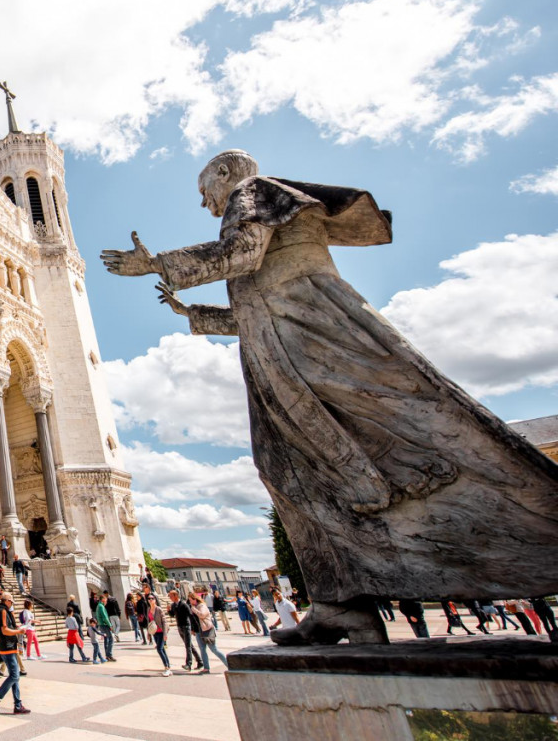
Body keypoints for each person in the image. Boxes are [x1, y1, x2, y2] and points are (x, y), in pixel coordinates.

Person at [105, 150, 558, 646]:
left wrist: (155, 264)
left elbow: (244, 255)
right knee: (286, 467)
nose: (204, 203)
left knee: (371, 443)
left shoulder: (252, 193)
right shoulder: (259, 205)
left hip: (309, 336)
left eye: (204, 190)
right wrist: (193, 314)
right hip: (282, 342)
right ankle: (339, 602)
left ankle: (519, 542)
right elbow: (249, 308)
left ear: (223, 173)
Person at [0, 592, 30, 715]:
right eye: (11, 602)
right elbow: (5, 630)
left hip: (9, 646)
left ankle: (18, 705)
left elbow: (4, 627)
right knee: (15, 676)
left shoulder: (4, 611)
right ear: (7, 601)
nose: (12, 605)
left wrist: (17, 628)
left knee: (14, 676)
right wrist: (18, 631)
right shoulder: (3, 611)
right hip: (8, 647)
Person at [189, 593, 227, 674]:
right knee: (202, 649)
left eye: (191, 600)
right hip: (198, 631)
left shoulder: (202, 606)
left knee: (214, 649)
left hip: (206, 629)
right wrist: (192, 629)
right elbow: (193, 619)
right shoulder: (193, 607)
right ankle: (206, 668)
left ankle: (229, 665)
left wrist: (194, 609)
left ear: (195, 599)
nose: (190, 601)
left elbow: (202, 615)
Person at [168, 590, 202, 671]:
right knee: (189, 645)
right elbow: (172, 615)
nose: (170, 598)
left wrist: (194, 628)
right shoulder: (173, 605)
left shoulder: (183, 604)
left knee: (188, 646)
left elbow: (191, 615)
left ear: (176, 596)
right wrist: (169, 610)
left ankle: (188, 664)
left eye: (171, 596)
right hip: (180, 626)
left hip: (186, 626)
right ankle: (200, 661)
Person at [146, 594, 171, 676]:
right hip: (154, 632)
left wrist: (165, 633)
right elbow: (149, 622)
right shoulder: (148, 609)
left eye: (152, 598)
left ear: (155, 600)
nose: (150, 600)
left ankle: (166, 668)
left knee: (159, 649)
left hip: (161, 632)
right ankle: (168, 667)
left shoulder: (159, 609)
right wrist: (148, 633)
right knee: (162, 650)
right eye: (149, 598)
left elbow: (164, 622)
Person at [95, 593, 115, 661]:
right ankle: (109, 654)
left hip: (101, 624)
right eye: (106, 599)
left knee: (106, 640)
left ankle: (107, 655)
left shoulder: (99, 606)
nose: (106, 601)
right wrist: (110, 625)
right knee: (111, 639)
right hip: (104, 625)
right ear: (103, 599)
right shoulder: (101, 606)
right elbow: (105, 617)